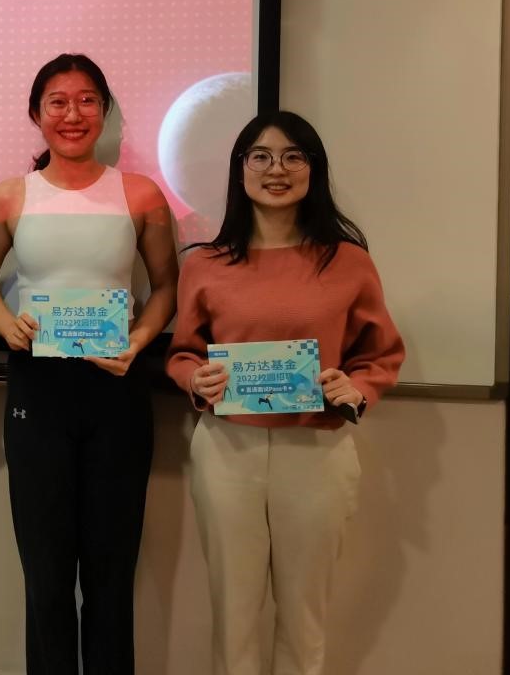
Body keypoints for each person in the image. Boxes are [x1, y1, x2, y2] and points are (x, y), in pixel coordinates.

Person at [165, 110, 404, 675]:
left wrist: (355, 387)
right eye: (261, 156)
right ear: (240, 169)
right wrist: (194, 378)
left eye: (294, 156)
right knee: (234, 614)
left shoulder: (348, 261)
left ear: (313, 170)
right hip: (227, 449)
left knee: (304, 617)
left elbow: (380, 355)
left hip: (317, 451)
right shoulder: (204, 264)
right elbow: (182, 353)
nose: (277, 169)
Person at [0, 53, 178, 674]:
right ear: (36, 113)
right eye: (57, 102)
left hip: (116, 390)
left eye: (87, 100)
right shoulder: (9, 197)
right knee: (46, 571)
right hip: (38, 390)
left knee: (111, 572)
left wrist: (140, 340)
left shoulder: (140, 195)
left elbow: (167, 286)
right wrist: (5, 323)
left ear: (104, 111)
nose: (72, 114)